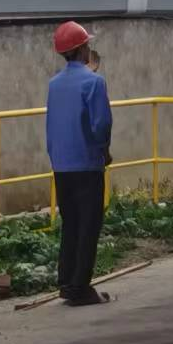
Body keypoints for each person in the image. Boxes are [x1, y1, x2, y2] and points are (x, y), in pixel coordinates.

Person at [45, 20, 113, 307]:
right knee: (88, 225)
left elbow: (52, 125)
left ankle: (66, 281)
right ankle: (80, 287)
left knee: (71, 223)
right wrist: (104, 151)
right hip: (87, 163)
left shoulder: (54, 85)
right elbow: (101, 124)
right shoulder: (94, 82)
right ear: (83, 49)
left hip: (61, 165)